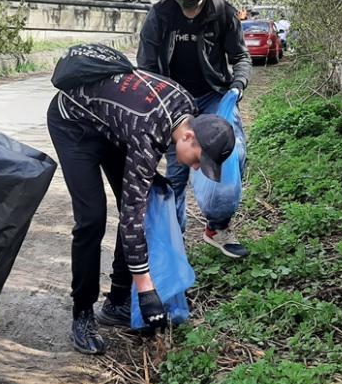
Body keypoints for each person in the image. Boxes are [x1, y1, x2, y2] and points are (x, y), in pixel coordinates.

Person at [47, 44, 236, 354]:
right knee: (93, 218)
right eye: (200, 160)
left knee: (143, 200)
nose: (198, 168)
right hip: (74, 124)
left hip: (113, 125)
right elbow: (132, 217)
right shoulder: (147, 132)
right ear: (189, 137)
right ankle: (82, 315)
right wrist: (147, 290)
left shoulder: (187, 107)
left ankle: (118, 302)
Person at [137, 0, 252, 259]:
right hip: (174, 105)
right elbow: (146, 69)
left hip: (214, 98)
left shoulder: (222, 12)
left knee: (232, 155)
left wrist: (236, 87)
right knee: (176, 173)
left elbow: (240, 57)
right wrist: (161, 109)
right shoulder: (160, 15)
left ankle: (217, 226)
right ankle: (175, 247)